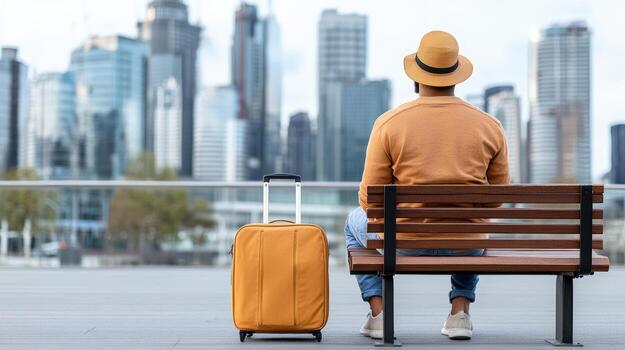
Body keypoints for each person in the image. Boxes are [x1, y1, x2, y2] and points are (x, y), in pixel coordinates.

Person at [344, 30, 510, 340]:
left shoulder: (389, 123)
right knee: (474, 225)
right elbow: (496, 198)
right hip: (466, 241)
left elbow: (369, 200)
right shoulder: (489, 125)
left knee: (352, 222)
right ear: (455, 77)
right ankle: (460, 313)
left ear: (416, 78)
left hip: (405, 240)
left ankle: (379, 314)